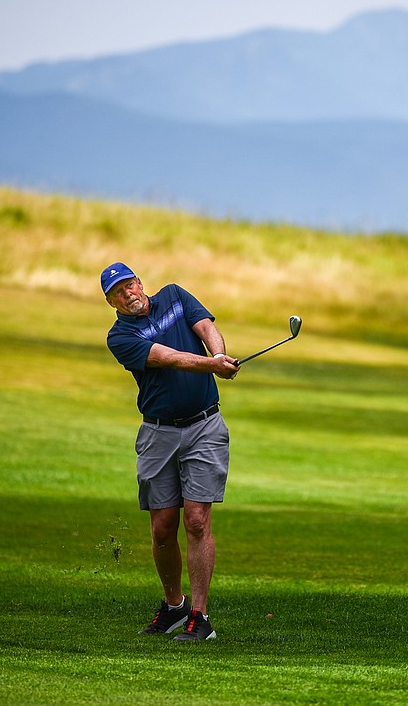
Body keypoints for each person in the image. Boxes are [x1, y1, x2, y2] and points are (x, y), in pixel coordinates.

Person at [101, 261, 240, 642]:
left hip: (204, 426)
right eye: (118, 292)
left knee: (196, 520)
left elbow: (206, 326)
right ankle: (174, 606)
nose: (128, 293)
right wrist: (212, 365)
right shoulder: (120, 336)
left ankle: (200, 616)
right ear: (112, 302)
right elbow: (168, 357)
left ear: (140, 282)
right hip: (158, 434)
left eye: (130, 284)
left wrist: (219, 354)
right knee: (163, 528)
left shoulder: (176, 296)